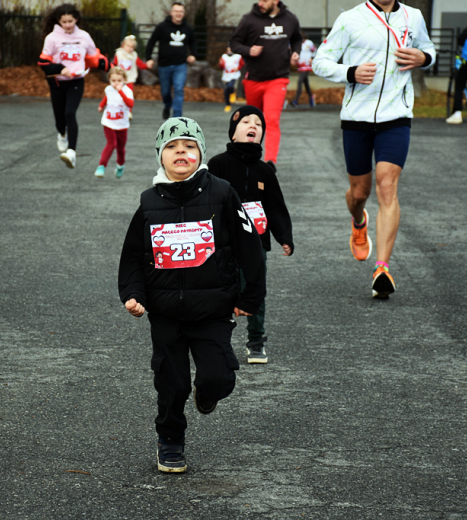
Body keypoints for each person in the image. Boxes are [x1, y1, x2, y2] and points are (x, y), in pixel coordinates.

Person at [118, 117, 266, 473]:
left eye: (188, 146)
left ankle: (208, 391)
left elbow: (250, 249)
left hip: (213, 309)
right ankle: (170, 441)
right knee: (172, 384)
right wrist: (134, 293)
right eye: (171, 147)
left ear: (200, 152)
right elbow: (134, 255)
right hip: (165, 311)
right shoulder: (149, 202)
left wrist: (249, 298)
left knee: (219, 377)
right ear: (160, 156)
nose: (180, 152)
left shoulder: (222, 193)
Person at [312, 0, 436, 298]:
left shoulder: (413, 16)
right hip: (357, 118)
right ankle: (359, 221)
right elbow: (320, 61)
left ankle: (382, 268)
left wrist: (423, 57)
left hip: (397, 116)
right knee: (359, 193)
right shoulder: (350, 19)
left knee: (387, 184)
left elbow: (429, 50)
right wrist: (350, 72)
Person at [207, 106, 294, 364]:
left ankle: (256, 342)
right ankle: (218, 341)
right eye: (246, 121)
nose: (253, 125)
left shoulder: (265, 171)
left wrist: (284, 236)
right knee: (221, 290)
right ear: (234, 133)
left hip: (256, 243)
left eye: (258, 123)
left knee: (256, 289)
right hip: (224, 242)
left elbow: (276, 206)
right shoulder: (217, 164)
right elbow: (207, 202)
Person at [229, 0, 303, 172]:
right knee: (252, 122)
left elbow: (297, 39)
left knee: (271, 119)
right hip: (253, 79)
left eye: (265, 0)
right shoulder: (248, 19)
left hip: (278, 79)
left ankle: (270, 162)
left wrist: (296, 52)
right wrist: (248, 50)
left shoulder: (290, 19)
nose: (260, 3)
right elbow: (234, 43)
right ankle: (249, 157)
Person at [38, 3, 108, 169]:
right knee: (60, 120)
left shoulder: (84, 36)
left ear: (76, 19)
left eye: (71, 21)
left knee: (70, 113)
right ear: (59, 21)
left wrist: (109, 67)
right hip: (57, 82)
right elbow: (43, 63)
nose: (68, 25)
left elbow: (94, 57)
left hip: (76, 81)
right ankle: (62, 134)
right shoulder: (52, 38)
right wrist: (60, 68)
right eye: (64, 22)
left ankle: (71, 152)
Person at [144, 3, 197, 119]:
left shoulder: (187, 28)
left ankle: (177, 116)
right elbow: (152, 42)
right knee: (166, 91)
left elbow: (193, 42)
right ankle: (167, 105)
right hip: (164, 65)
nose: (178, 14)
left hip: (180, 65)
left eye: (181, 11)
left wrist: (193, 54)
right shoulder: (162, 27)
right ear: (171, 12)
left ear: (183, 13)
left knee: (178, 88)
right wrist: (148, 58)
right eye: (176, 11)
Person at [96, 67, 134, 179]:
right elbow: (107, 98)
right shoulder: (108, 89)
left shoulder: (127, 91)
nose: (116, 83)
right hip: (108, 122)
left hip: (122, 124)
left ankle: (120, 165)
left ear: (124, 80)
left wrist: (120, 91)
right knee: (111, 143)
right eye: (113, 81)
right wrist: (101, 106)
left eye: (119, 80)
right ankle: (101, 166)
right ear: (109, 81)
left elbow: (130, 104)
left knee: (121, 148)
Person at [292, 36, 316, 108]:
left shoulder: (309, 43)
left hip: (307, 65)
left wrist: (312, 58)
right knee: (306, 83)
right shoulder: (297, 43)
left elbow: (315, 50)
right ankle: (311, 97)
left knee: (300, 81)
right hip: (300, 65)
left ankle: (296, 100)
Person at [219, 47, 244, 113]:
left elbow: (242, 64)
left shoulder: (238, 56)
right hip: (226, 75)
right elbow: (221, 66)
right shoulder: (224, 56)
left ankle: (232, 92)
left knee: (230, 86)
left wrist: (238, 68)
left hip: (234, 75)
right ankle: (228, 104)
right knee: (226, 90)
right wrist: (221, 64)